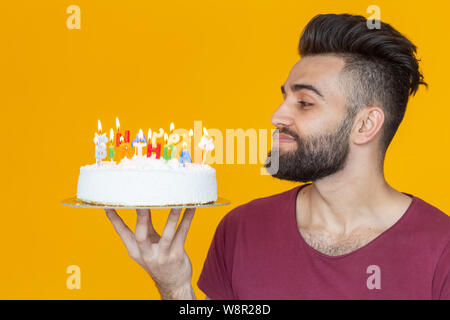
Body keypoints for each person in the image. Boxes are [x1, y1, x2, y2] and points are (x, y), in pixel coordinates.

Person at [105, 13, 450, 299]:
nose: (277, 116)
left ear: (365, 124)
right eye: (285, 97)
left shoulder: (440, 250)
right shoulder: (242, 229)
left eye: (305, 103)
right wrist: (175, 285)